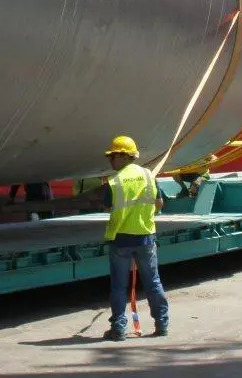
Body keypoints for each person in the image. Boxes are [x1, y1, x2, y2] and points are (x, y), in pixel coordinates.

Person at [101, 135, 169, 340]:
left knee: (119, 286)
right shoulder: (149, 175)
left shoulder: (115, 181)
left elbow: (107, 207)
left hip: (121, 238)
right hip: (146, 237)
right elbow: (159, 203)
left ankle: (119, 328)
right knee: (153, 282)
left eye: (112, 156)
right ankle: (162, 324)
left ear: (123, 156)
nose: (110, 160)